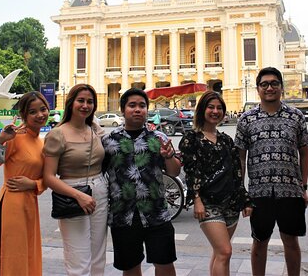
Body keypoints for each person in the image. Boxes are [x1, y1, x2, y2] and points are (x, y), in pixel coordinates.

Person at [235, 66, 308, 276]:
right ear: (258, 89)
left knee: (291, 241)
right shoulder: (246, 119)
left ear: (281, 88)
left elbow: (304, 153)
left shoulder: (295, 116)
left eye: (274, 83)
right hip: (259, 192)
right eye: (264, 84)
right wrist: (242, 192)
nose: (269, 87)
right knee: (259, 242)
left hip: (290, 191)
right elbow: (240, 157)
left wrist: (303, 186)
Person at [102, 88, 181, 276]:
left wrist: (169, 156)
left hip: (157, 213)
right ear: (123, 110)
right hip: (124, 216)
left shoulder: (159, 138)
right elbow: (99, 173)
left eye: (142, 106)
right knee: (130, 267)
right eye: (132, 105)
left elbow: (174, 171)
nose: (137, 109)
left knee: (165, 264)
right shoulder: (109, 141)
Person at [179, 91, 252, 276]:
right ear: (202, 109)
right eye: (211, 107)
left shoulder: (226, 140)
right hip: (207, 202)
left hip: (231, 203)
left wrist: (245, 199)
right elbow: (191, 172)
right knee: (225, 251)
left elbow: (236, 172)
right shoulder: (191, 139)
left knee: (220, 252)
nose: (215, 111)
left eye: (219, 108)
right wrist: (196, 200)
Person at [0, 91, 49, 276]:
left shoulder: (41, 142)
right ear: (24, 116)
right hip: (12, 206)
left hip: (30, 206)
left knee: (29, 255)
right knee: (12, 258)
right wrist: (1, 140)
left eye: (43, 109)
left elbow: (46, 179)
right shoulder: (15, 138)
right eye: (33, 112)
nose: (40, 115)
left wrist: (33, 185)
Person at [43, 84, 108, 276]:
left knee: (98, 256)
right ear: (71, 102)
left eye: (90, 102)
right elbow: (48, 177)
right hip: (71, 194)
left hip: (99, 193)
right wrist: (78, 196)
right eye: (81, 100)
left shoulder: (95, 130)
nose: (85, 105)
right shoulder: (58, 134)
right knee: (78, 258)